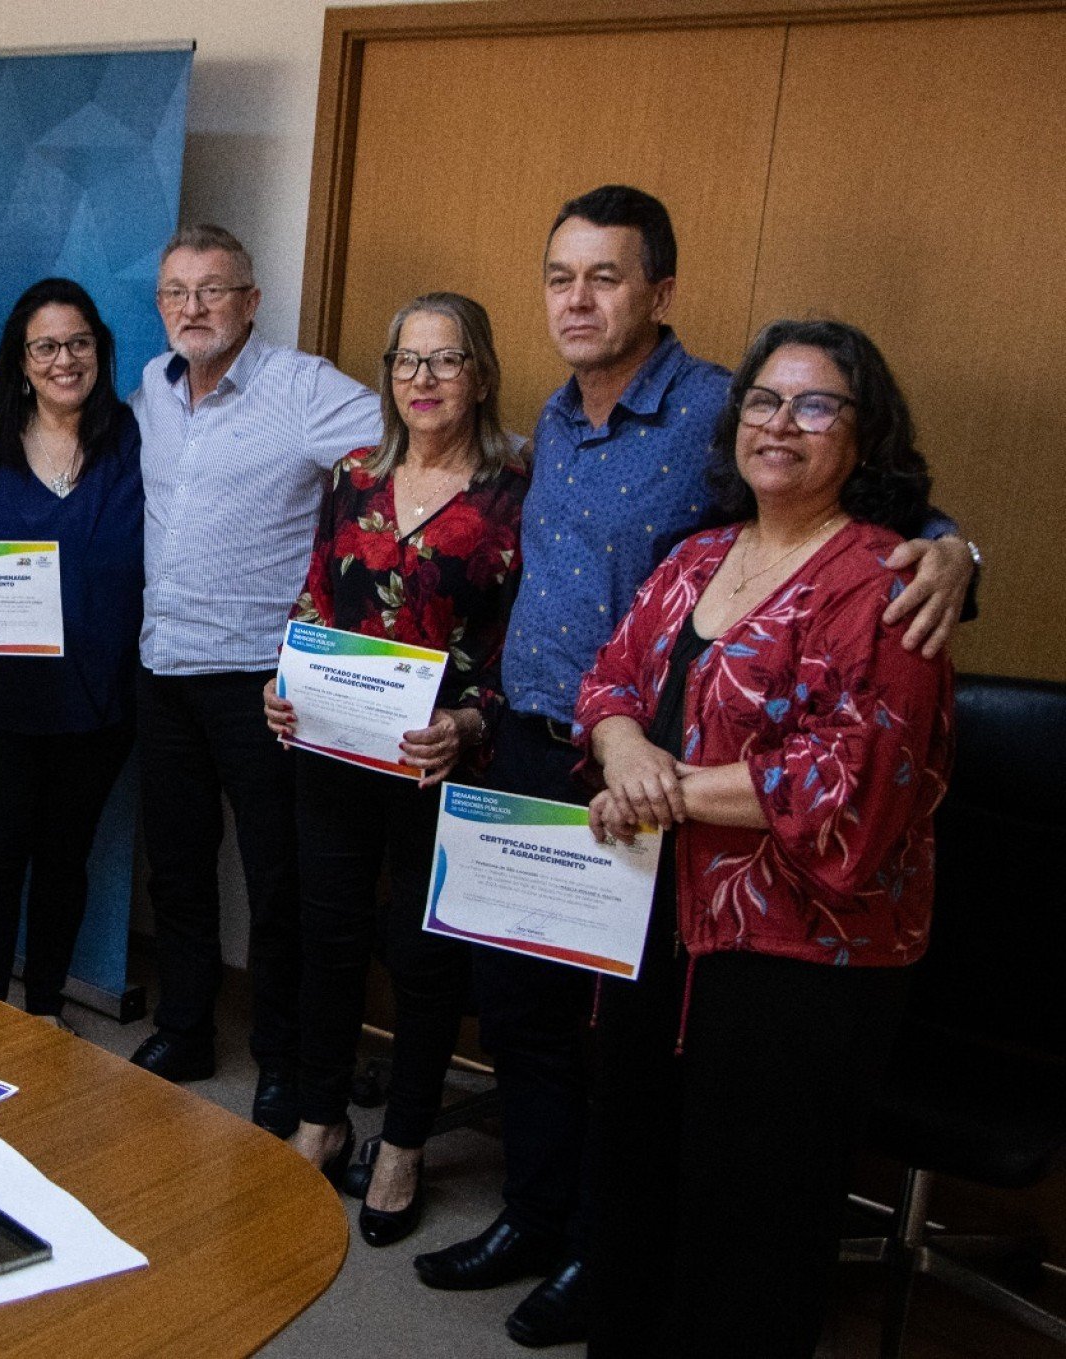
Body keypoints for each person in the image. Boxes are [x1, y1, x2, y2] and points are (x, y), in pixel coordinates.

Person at [413, 184, 975, 1349]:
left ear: (658, 290)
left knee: (729, 1174)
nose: (580, 298)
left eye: (606, 276)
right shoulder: (564, 432)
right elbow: (613, 664)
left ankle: (597, 1259)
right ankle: (550, 1223)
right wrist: (610, 742)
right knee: (542, 1024)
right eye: (561, 276)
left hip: (750, 899)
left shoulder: (753, 440)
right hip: (566, 760)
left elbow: (866, 731)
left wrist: (959, 551)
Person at [574, 319, 952, 1357]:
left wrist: (666, 790)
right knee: (634, 1193)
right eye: (763, 401)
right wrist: (619, 748)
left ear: (864, 435)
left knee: (752, 1231)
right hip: (650, 927)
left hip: (796, 965)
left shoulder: (888, 582)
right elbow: (609, 677)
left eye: (814, 404)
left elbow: (853, 786)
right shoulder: (695, 556)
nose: (780, 424)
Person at [262, 293, 526, 1245]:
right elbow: (314, 590)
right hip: (333, 748)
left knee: (422, 958)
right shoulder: (354, 474)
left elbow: (516, 648)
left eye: (445, 361)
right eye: (406, 361)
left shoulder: (515, 489)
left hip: (438, 760)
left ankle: (406, 1140)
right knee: (326, 937)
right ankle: (321, 1119)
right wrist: (282, 681)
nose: (422, 380)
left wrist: (469, 719)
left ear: (481, 375)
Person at [127, 224, 380, 1137]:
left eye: (213, 290)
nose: (193, 308)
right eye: (176, 292)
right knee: (183, 868)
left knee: (278, 884)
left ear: (252, 300)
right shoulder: (152, 388)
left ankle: (283, 1059)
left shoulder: (303, 388)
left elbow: (419, 447)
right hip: (162, 667)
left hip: (261, 682)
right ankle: (187, 1026)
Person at [0, 278, 144, 1023]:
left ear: (100, 352)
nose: (63, 359)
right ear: (18, 360)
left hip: (96, 699)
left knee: (64, 861)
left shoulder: (134, 443)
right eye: (44, 346)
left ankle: (44, 1007)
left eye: (78, 342)